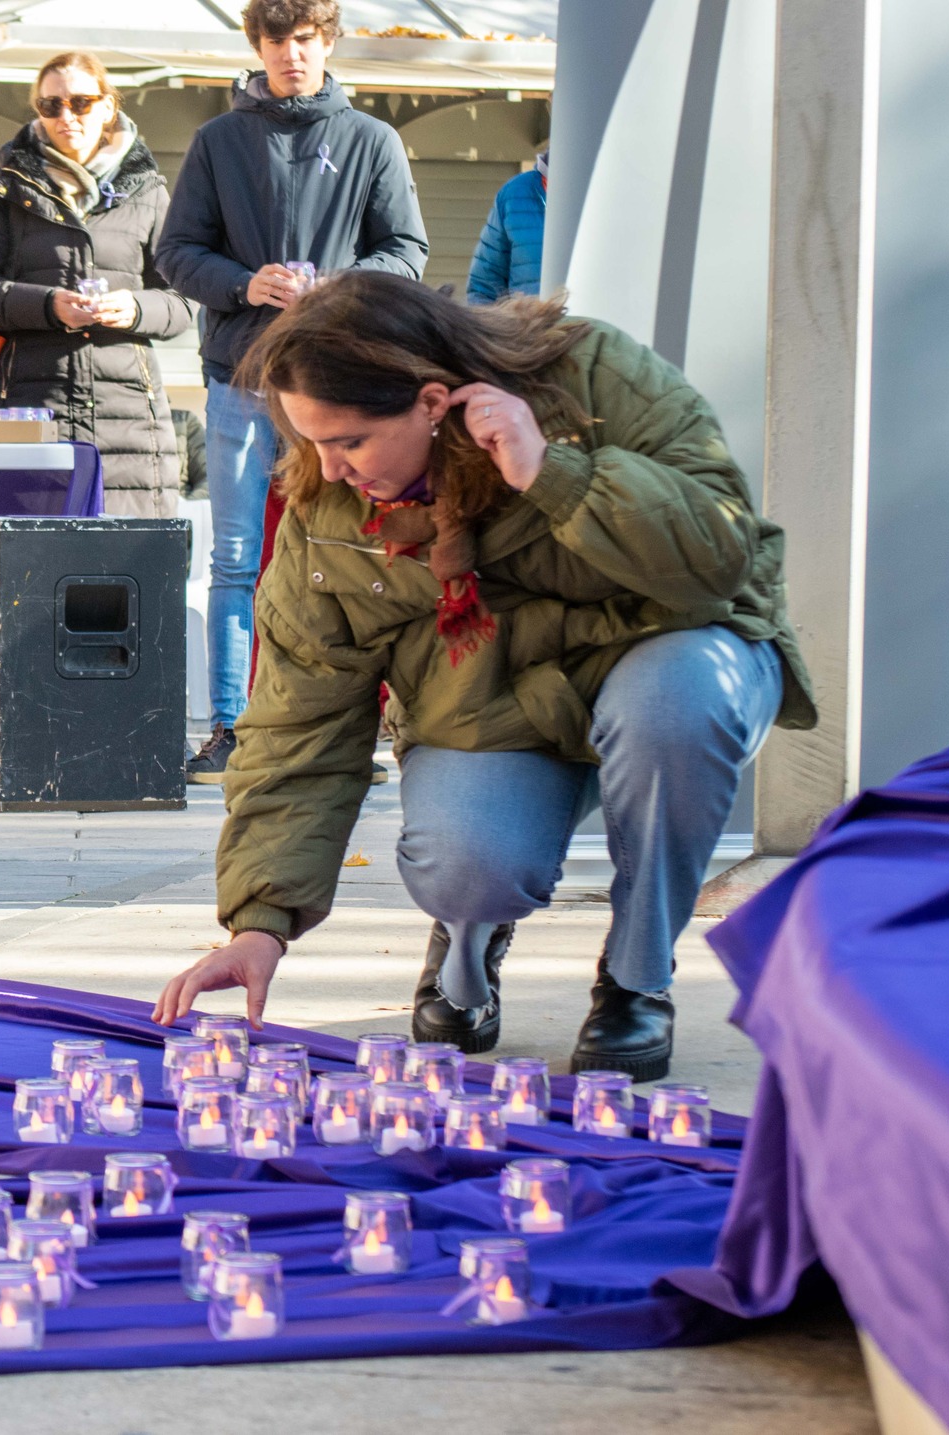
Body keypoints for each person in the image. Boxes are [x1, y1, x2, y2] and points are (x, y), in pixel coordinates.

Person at [149, 272, 814, 1083]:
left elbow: (720, 555)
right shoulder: (330, 513)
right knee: (464, 860)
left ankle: (638, 978)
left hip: (668, 658)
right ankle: (469, 943)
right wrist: (260, 923)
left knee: (676, 707)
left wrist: (554, 475)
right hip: (491, 710)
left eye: (350, 442)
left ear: (432, 402)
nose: (327, 471)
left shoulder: (594, 376)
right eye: (311, 442)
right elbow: (299, 719)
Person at [159, 0, 429, 780]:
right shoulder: (216, 141)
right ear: (258, 46)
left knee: (354, 551)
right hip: (242, 377)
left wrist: (336, 289)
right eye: (276, 41)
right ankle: (231, 727)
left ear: (328, 42)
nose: (290, 55)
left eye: (304, 40)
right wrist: (248, 284)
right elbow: (176, 253)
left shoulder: (373, 139)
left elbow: (406, 250)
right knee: (238, 559)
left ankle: (350, 729)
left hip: (342, 383)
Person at [0, 54, 193, 518]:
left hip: (130, 419)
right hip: (32, 408)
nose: (66, 117)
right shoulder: (2, 189)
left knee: (126, 574)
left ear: (107, 107)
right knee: (32, 576)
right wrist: (47, 306)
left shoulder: (149, 190)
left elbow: (182, 301)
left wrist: (135, 309)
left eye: (80, 102)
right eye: (50, 104)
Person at [466, 151, 547, 304]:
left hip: (597, 326)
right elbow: (484, 289)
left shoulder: (605, 192)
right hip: (528, 327)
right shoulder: (514, 193)